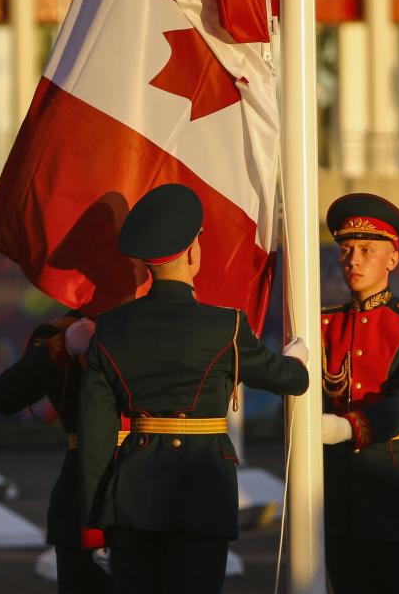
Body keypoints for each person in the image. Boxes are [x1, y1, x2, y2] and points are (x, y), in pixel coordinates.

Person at [78, 183, 310, 594]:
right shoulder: (226, 326)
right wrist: (298, 357)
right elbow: (291, 381)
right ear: (191, 252)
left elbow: (96, 437)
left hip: (134, 496)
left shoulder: (109, 329)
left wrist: (96, 527)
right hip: (204, 493)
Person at [319, 193, 399, 594]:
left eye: (367, 250)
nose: (353, 259)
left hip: (397, 494)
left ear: (393, 260)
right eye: (346, 248)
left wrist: (345, 429)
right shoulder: (320, 322)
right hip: (339, 494)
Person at [0, 310, 110, 594]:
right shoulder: (63, 331)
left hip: (156, 493)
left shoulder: (167, 320)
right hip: (82, 497)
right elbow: (5, 396)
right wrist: (64, 346)